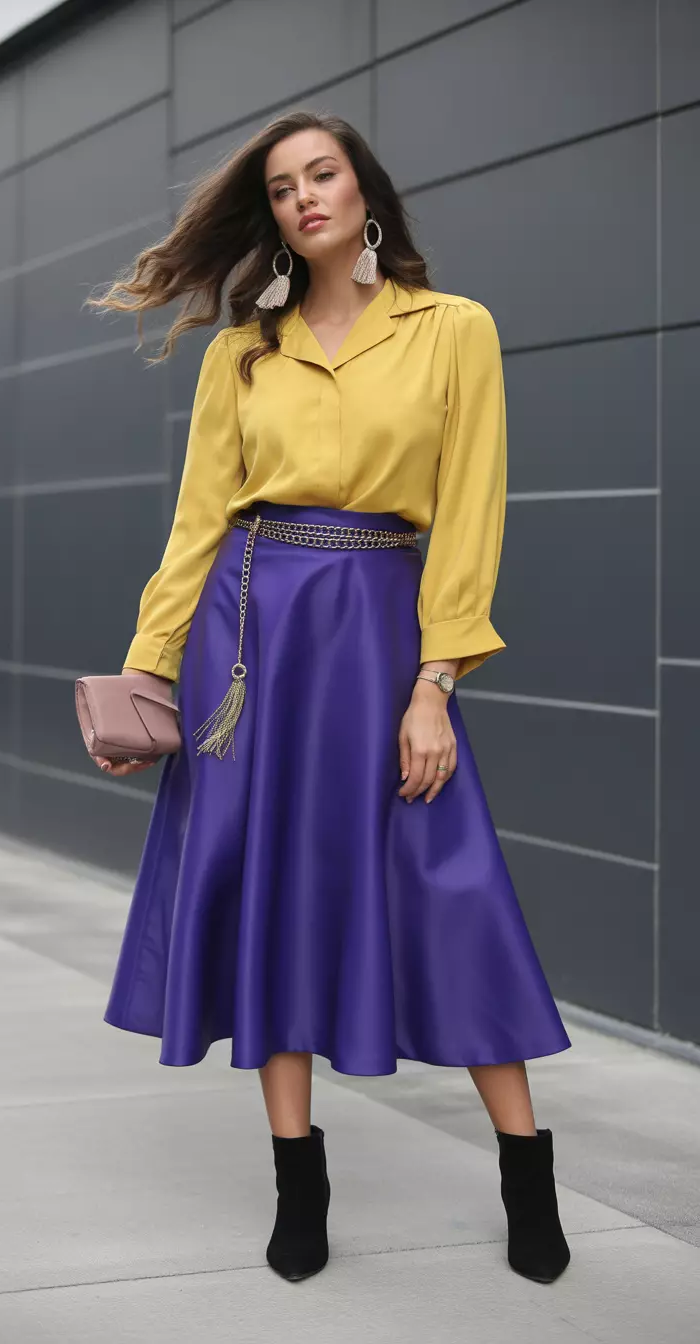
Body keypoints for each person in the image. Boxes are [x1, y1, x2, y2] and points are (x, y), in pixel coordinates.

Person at [85, 110, 572, 1287]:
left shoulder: (454, 330)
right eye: (285, 185)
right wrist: (150, 671)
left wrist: (435, 687)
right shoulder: (239, 356)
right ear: (275, 215)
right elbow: (199, 523)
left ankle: (526, 1172)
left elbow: (471, 514)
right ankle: (298, 1179)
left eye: (325, 173)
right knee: (270, 893)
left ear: (365, 192)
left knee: (449, 889)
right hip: (248, 645)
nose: (306, 196)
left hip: (382, 637)